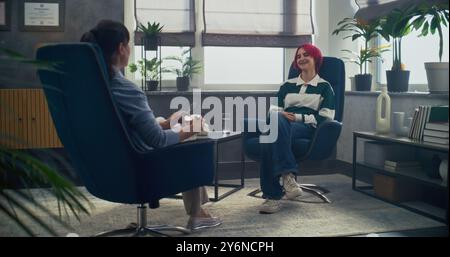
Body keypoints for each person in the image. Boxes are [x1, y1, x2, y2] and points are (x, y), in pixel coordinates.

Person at [80, 20, 221, 231]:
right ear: (121, 48)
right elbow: (158, 140)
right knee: (196, 133)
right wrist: (191, 127)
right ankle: (197, 213)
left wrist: (166, 123)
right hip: (141, 169)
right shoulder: (126, 89)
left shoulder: (91, 87)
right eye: (129, 44)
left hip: (105, 169)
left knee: (167, 122)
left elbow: (123, 128)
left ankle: (198, 209)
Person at [259, 43, 335, 214]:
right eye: (298, 56)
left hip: (307, 127)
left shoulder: (325, 87)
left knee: (269, 133)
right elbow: (274, 109)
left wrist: (298, 117)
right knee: (270, 131)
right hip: (282, 124)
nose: (301, 58)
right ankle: (288, 178)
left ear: (315, 58)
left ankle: (272, 196)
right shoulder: (287, 85)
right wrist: (282, 115)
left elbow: (327, 117)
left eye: (305, 54)